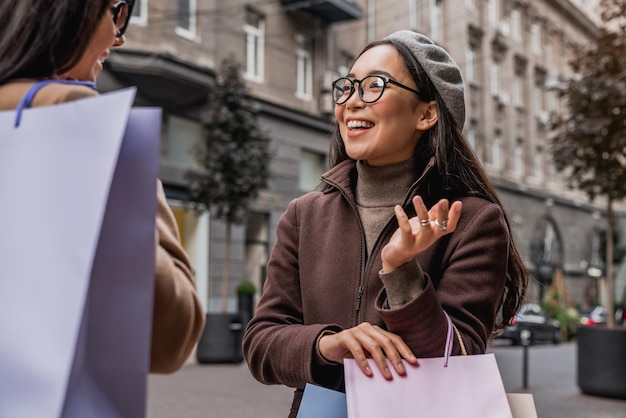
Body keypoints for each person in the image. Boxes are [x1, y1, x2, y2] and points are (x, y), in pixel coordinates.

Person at [242, 30, 528, 416]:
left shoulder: (472, 220)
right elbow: (261, 342)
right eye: (348, 87)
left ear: (426, 114)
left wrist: (402, 273)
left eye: (375, 85)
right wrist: (327, 345)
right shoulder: (304, 215)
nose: (353, 102)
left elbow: (458, 358)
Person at [0, 0, 205, 373]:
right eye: (117, 11)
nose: (118, 36)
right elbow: (170, 334)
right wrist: (128, 175)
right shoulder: (67, 113)